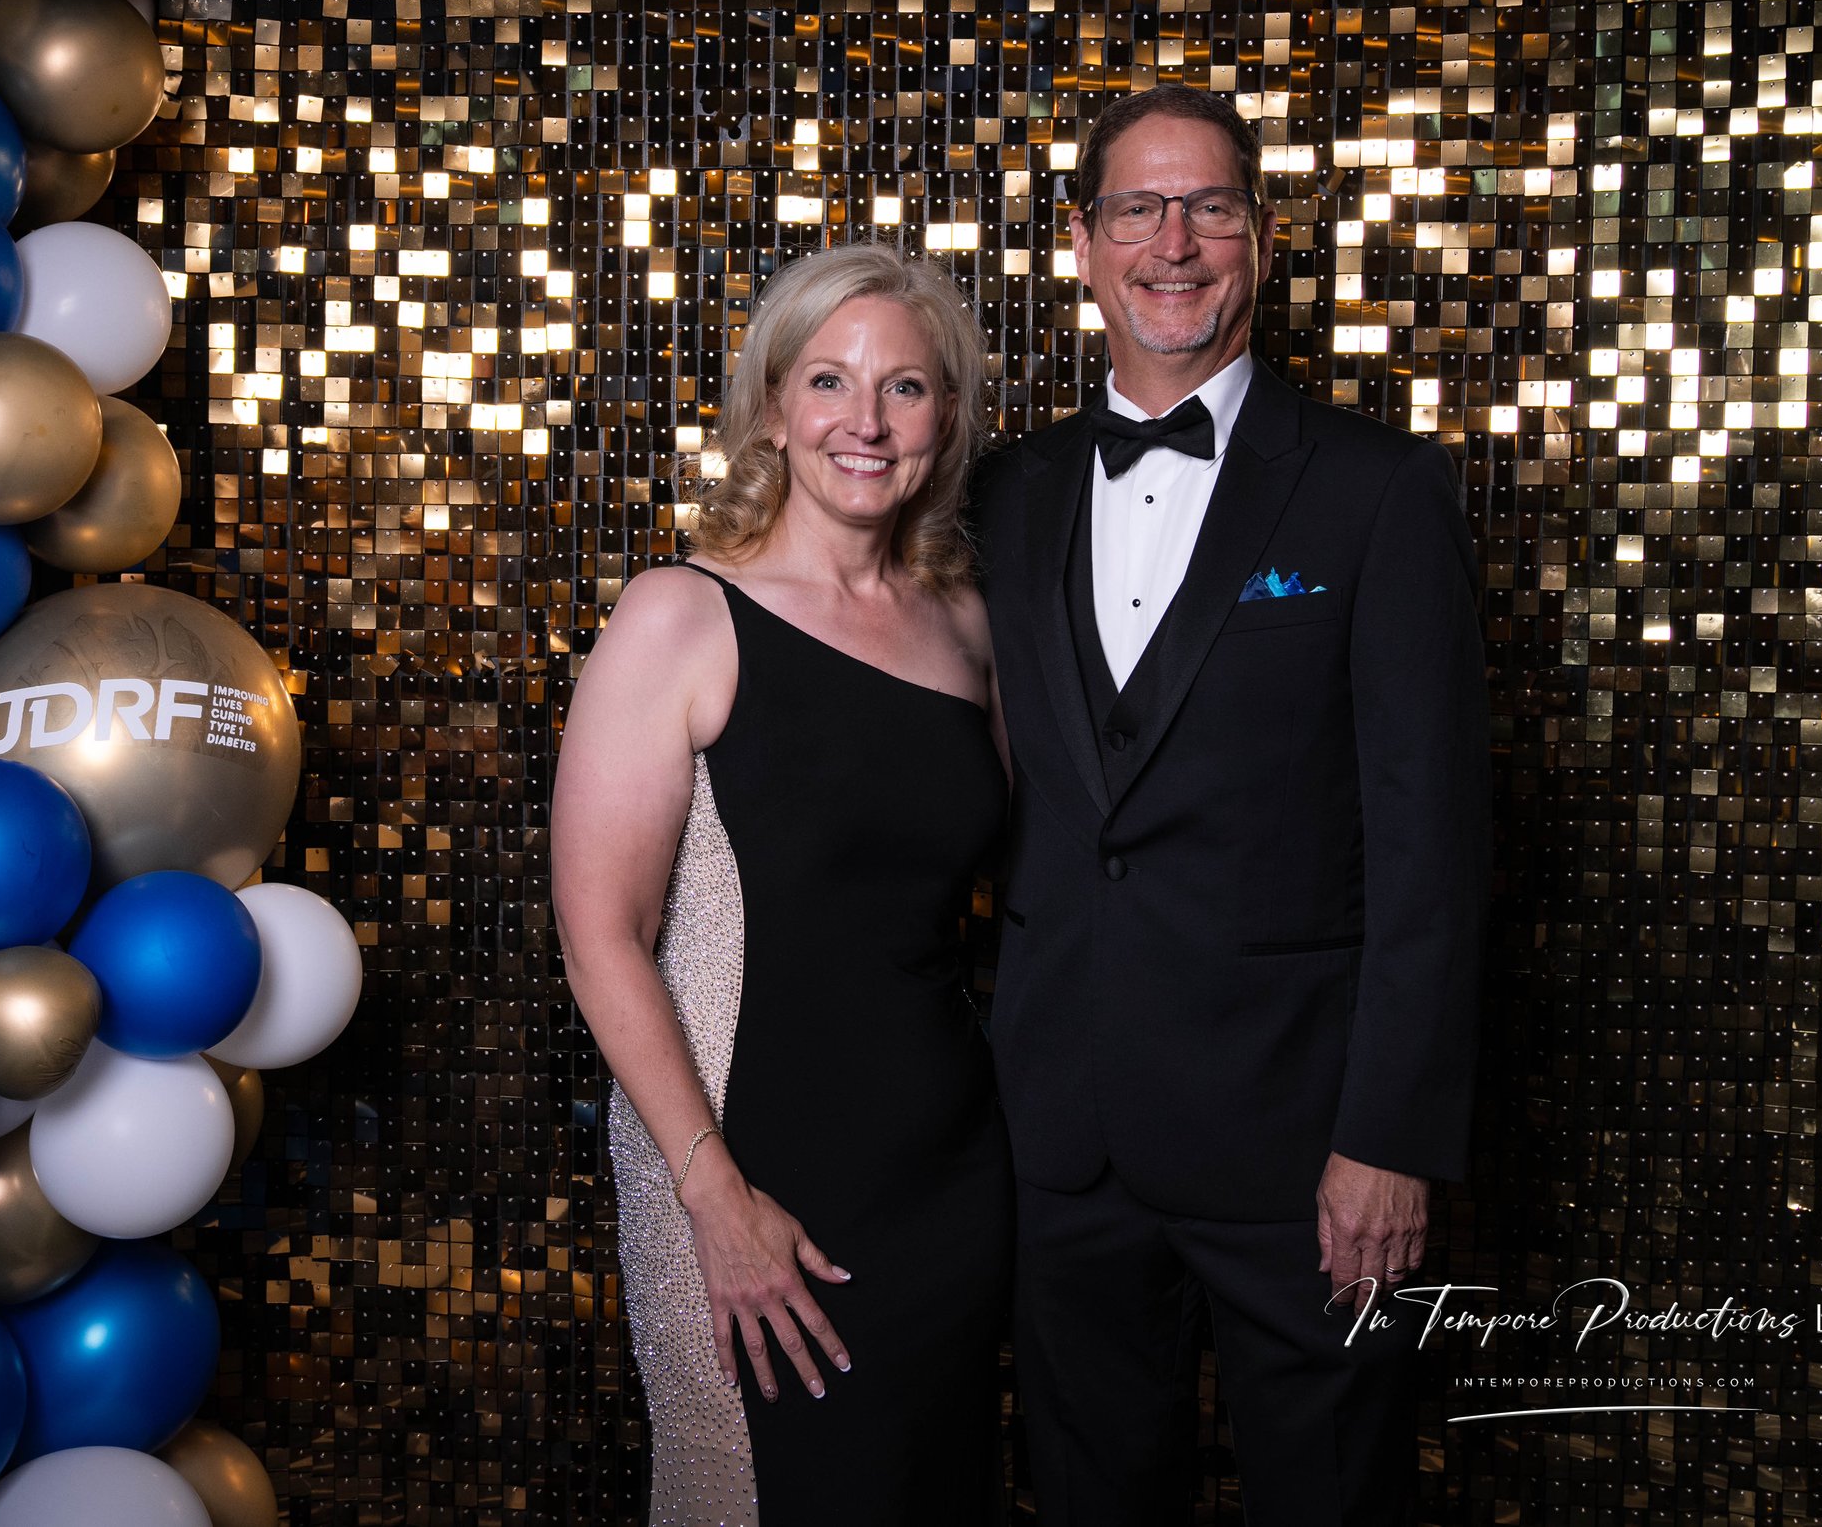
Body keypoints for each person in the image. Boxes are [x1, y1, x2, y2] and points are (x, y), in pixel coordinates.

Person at [970, 84, 1489, 1522]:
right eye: (1137, 208)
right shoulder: (1002, 494)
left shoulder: (1378, 491)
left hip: (1304, 1148)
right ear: (1083, 244)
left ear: (1259, 238)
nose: (1173, 243)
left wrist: (1391, 1137)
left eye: (1208, 207)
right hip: (1062, 1138)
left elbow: (1433, 848)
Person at [553, 243, 1010, 1526]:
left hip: (948, 1168)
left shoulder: (968, 626)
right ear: (771, 409)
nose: (865, 420)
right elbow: (600, 934)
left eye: (904, 387)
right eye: (827, 380)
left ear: (946, 419)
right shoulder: (679, 615)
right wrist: (712, 1191)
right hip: (743, 1162)